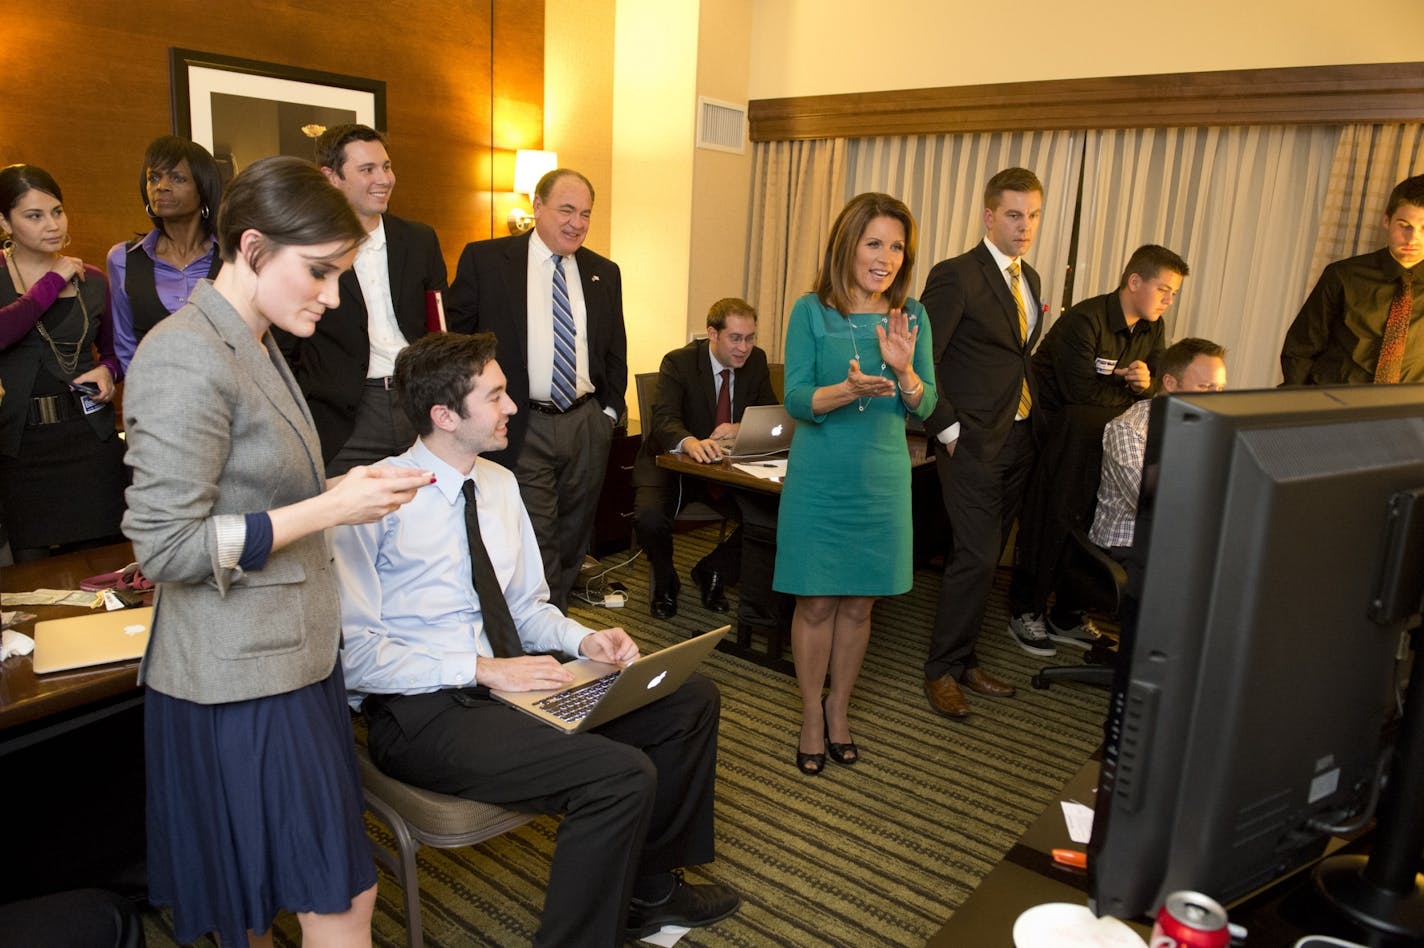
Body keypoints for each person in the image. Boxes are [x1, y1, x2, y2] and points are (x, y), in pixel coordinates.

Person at [331, 331, 740, 946]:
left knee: (687, 700)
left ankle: (649, 892)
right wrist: (484, 670)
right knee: (620, 776)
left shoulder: (497, 483)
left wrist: (583, 640)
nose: (513, 408)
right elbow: (356, 658)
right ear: (444, 415)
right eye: (495, 396)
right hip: (420, 712)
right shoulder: (372, 498)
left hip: (510, 685)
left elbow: (526, 607)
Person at [121, 156, 432, 947]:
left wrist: (341, 484)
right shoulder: (184, 353)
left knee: (295, 897)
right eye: (321, 274)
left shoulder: (253, 341)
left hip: (292, 659)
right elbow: (164, 547)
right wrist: (330, 506)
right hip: (236, 679)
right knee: (324, 899)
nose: (332, 299)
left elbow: (255, 490)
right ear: (254, 249)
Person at [774, 192, 935, 775]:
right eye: (875, 243)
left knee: (861, 604)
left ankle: (839, 709)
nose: (886, 257)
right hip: (820, 476)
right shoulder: (809, 311)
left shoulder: (911, 315)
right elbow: (795, 398)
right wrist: (848, 390)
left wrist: (904, 371)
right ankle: (810, 714)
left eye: (896, 246)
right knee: (816, 601)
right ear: (848, 244)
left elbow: (927, 402)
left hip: (882, 479)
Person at [445, 168, 627, 612]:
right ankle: (538, 643)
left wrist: (608, 413)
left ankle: (555, 623)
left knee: (573, 537)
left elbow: (614, 351)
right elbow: (452, 342)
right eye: (566, 209)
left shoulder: (604, 272)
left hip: (586, 424)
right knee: (535, 537)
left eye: (585, 213)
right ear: (537, 207)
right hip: (522, 424)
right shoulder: (487, 261)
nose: (577, 223)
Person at [1007, 244, 1188, 655]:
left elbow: (1155, 385)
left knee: (1092, 526)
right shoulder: (1084, 321)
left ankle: (1066, 615)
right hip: (1056, 438)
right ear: (1134, 281)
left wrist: (1144, 383)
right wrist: (1132, 390)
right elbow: (1079, 394)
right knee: (1049, 523)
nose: (1169, 300)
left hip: (1105, 439)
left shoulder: (1153, 327)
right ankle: (1025, 612)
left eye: (1174, 294)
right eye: (1164, 289)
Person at [921, 167, 1045, 720]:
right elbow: (926, 359)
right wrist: (946, 428)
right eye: (1015, 215)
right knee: (972, 555)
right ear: (989, 216)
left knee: (990, 556)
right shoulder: (956, 275)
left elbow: (1016, 356)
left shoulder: (1031, 279)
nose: (1025, 226)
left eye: (1034, 215)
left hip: (1017, 435)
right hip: (967, 439)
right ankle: (941, 670)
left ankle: (967, 658)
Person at [275, 124, 451, 474]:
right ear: (331, 177)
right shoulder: (305, 247)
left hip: (416, 404)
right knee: (344, 524)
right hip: (343, 420)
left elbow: (440, 326)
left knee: (422, 520)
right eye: (367, 170)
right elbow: (283, 347)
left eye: (386, 167)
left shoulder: (419, 240)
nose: (383, 179)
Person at [0, 164, 125, 561]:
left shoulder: (93, 280)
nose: (51, 224)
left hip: (88, 443)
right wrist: (52, 281)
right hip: (19, 450)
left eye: (57, 211)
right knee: (27, 578)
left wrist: (108, 371)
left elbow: (115, 352)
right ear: (4, 222)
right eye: (34, 216)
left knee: (102, 571)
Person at [633, 297, 779, 618]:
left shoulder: (756, 362)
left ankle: (714, 570)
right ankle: (666, 581)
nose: (745, 348)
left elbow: (769, 415)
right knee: (649, 518)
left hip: (725, 469)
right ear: (712, 334)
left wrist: (739, 428)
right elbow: (664, 420)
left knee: (777, 515)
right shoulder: (678, 362)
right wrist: (689, 442)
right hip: (673, 464)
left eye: (750, 338)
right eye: (736, 338)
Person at [1281, 173, 1424, 385]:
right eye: (1404, 225)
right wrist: (1297, 406)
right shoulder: (1342, 275)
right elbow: (1300, 348)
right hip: (1334, 404)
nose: (1412, 238)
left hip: (1406, 413)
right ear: (1386, 220)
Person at [1090, 337, 1227, 555]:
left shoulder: (1210, 428)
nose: (1215, 398)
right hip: (1129, 547)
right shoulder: (1130, 429)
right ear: (1170, 383)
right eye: (1205, 387)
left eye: (1219, 389)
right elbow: (1156, 505)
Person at [106, 135, 223, 375]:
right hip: (153, 402)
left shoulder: (233, 257)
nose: (162, 186)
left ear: (204, 188)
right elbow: (125, 346)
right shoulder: (122, 259)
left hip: (225, 403)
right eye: (154, 178)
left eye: (178, 178)